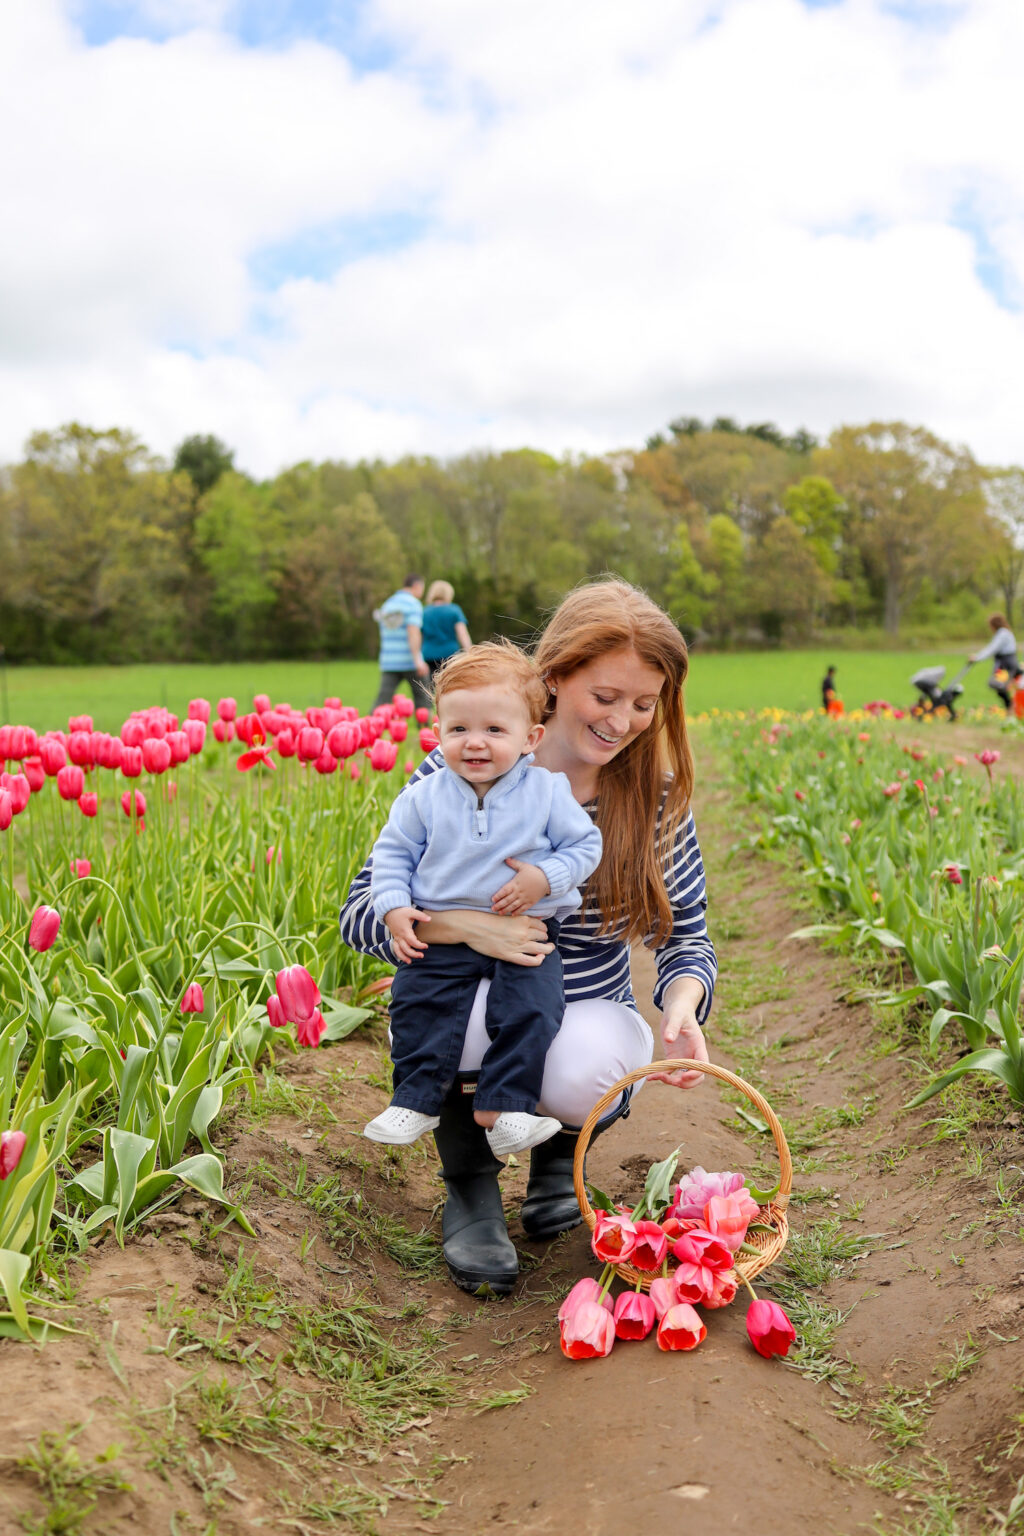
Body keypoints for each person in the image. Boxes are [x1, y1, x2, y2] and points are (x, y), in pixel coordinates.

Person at [340, 579, 717, 1296]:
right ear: (554, 680)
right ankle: (472, 1188)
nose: (623, 721)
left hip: (583, 1007)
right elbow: (360, 913)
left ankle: (557, 1164)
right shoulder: (463, 767)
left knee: (582, 1068)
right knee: (458, 1022)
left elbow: (687, 933)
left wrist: (682, 1005)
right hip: (463, 993)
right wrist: (463, 926)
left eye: (645, 704)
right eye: (604, 697)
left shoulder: (655, 797)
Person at [361, 642, 603, 1161]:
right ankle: (415, 1099)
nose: (475, 743)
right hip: (442, 930)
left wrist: (545, 876)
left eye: (495, 730)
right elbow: (393, 854)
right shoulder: (423, 797)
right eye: (459, 729)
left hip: (525, 931)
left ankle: (505, 1106)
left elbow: (585, 846)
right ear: (437, 733)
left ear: (530, 738)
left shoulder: (546, 792)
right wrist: (393, 906)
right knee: (416, 1004)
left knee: (532, 1008)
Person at [372, 574, 432, 711]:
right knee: (423, 698)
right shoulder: (413, 604)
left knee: (382, 700)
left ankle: (369, 727)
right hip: (410, 661)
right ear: (417, 586)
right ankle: (424, 729)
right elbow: (413, 632)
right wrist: (418, 660)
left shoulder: (388, 603)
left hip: (389, 660)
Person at [422, 580, 472, 683]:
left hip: (428, 655)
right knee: (450, 686)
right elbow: (462, 634)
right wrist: (470, 652)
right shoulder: (454, 610)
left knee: (430, 690)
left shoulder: (424, 612)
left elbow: (420, 636)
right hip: (450, 655)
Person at [970, 613, 1022, 712]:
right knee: (1001, 686)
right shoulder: (1004, 633)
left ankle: (1011, 705)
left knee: (996, 683)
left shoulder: (1002, 634)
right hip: (1007, 665)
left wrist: (976, 658)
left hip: (1007, 666)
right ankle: (1011, 706)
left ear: (994, 624)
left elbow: (991, 649)